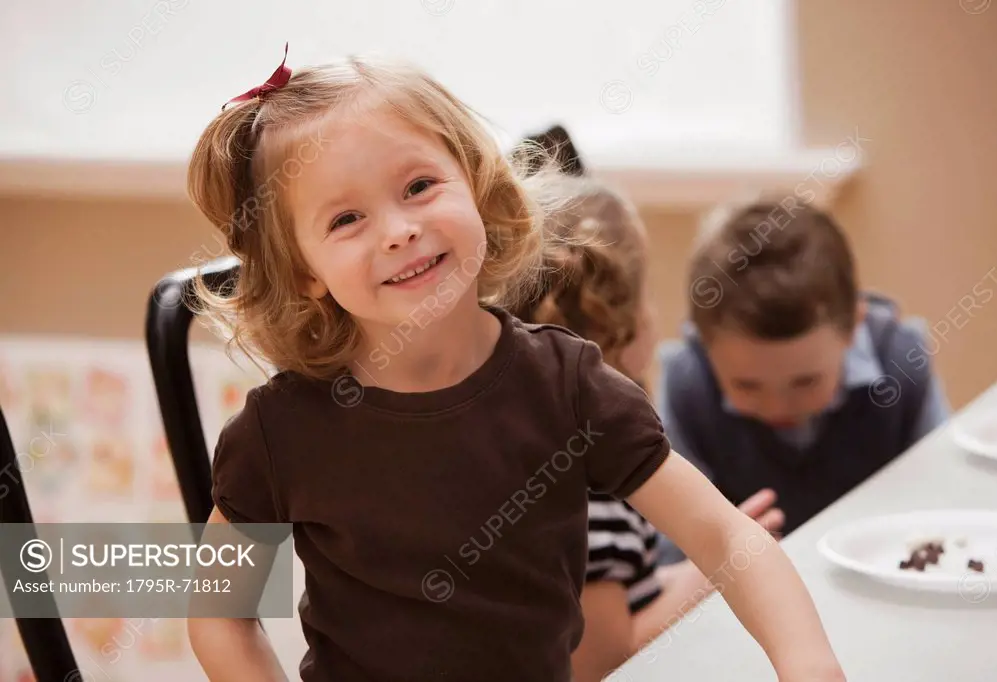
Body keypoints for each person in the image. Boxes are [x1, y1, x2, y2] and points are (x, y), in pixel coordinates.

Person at [184, 46, 845, 682]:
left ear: (477, 185)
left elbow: (727, 537)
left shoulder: (569, 387)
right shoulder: (282, 433)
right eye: (348, 219)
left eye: (418, 186)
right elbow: (219, 617)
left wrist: (809, 666)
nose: (398, 229)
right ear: (305, 274)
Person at [510, 175, 785, 682]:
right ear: (627, 329)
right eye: (647, 299)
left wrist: (714, 552)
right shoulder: (591, 490)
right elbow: (604, 658)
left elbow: (631, 590)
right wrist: (713, 573)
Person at [657, 196, 950, 563]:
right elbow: (671, 554)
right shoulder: (688, 384)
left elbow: (945, 500)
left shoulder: (902, 362)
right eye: (747, 385)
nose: (778, 406)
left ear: (853, 327)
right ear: (704, 342)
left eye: (806, 382)